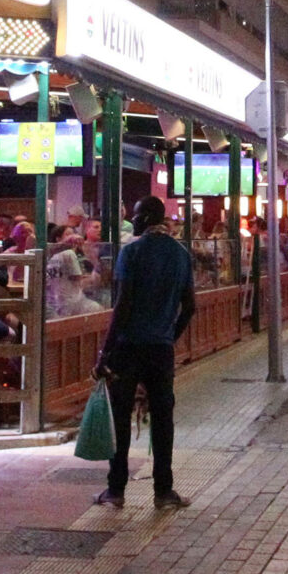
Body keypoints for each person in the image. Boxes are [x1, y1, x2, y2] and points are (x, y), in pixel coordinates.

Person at [92, 198, 197, 510]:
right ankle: (164, 491)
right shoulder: (181, 254)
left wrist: (105, 353)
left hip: (127, 348)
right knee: (164, 419)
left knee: (121, 418)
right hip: (160, 351)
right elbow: (190, 307)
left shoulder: (131, 252)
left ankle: (115, 490)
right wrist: (169, 336)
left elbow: (122, 306)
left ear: (147, 216)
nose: (133, 220)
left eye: (136, 215)